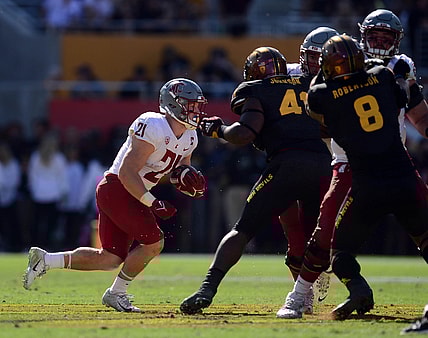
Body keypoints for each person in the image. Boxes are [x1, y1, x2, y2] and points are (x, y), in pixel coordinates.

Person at [278, 9, 428, 320]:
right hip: (354, 163)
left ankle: (312, 293)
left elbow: (419, 114)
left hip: (385, 162)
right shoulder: (390, 71)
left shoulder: (383, 70)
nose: (380, 43)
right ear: (362, 37)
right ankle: (300, 294)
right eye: (374, 36)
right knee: (326, 230)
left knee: (340, 242)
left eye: (387, 38)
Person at [23, 78, 208, 313]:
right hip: (117, 188)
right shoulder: (153, 125)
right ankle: (116, 293)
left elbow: (177, 172)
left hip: (130, 191)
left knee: (109, 258)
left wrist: (187, 184)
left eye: (197, 105)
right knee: (154, 243)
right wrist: (153, 202)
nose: (195, 110)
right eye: (189, 105)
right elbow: (127, 171)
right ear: (173, 104)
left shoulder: (190, 138)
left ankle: (46, 260)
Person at [179, 46, 332, 315]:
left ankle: (207, 288)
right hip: (323, 164)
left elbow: (245, 133)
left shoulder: (255, 89)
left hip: (286, 165)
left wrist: (218, 129)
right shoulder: (309, 83)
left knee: (243, 229)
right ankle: (347, 288)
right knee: (314, 237)